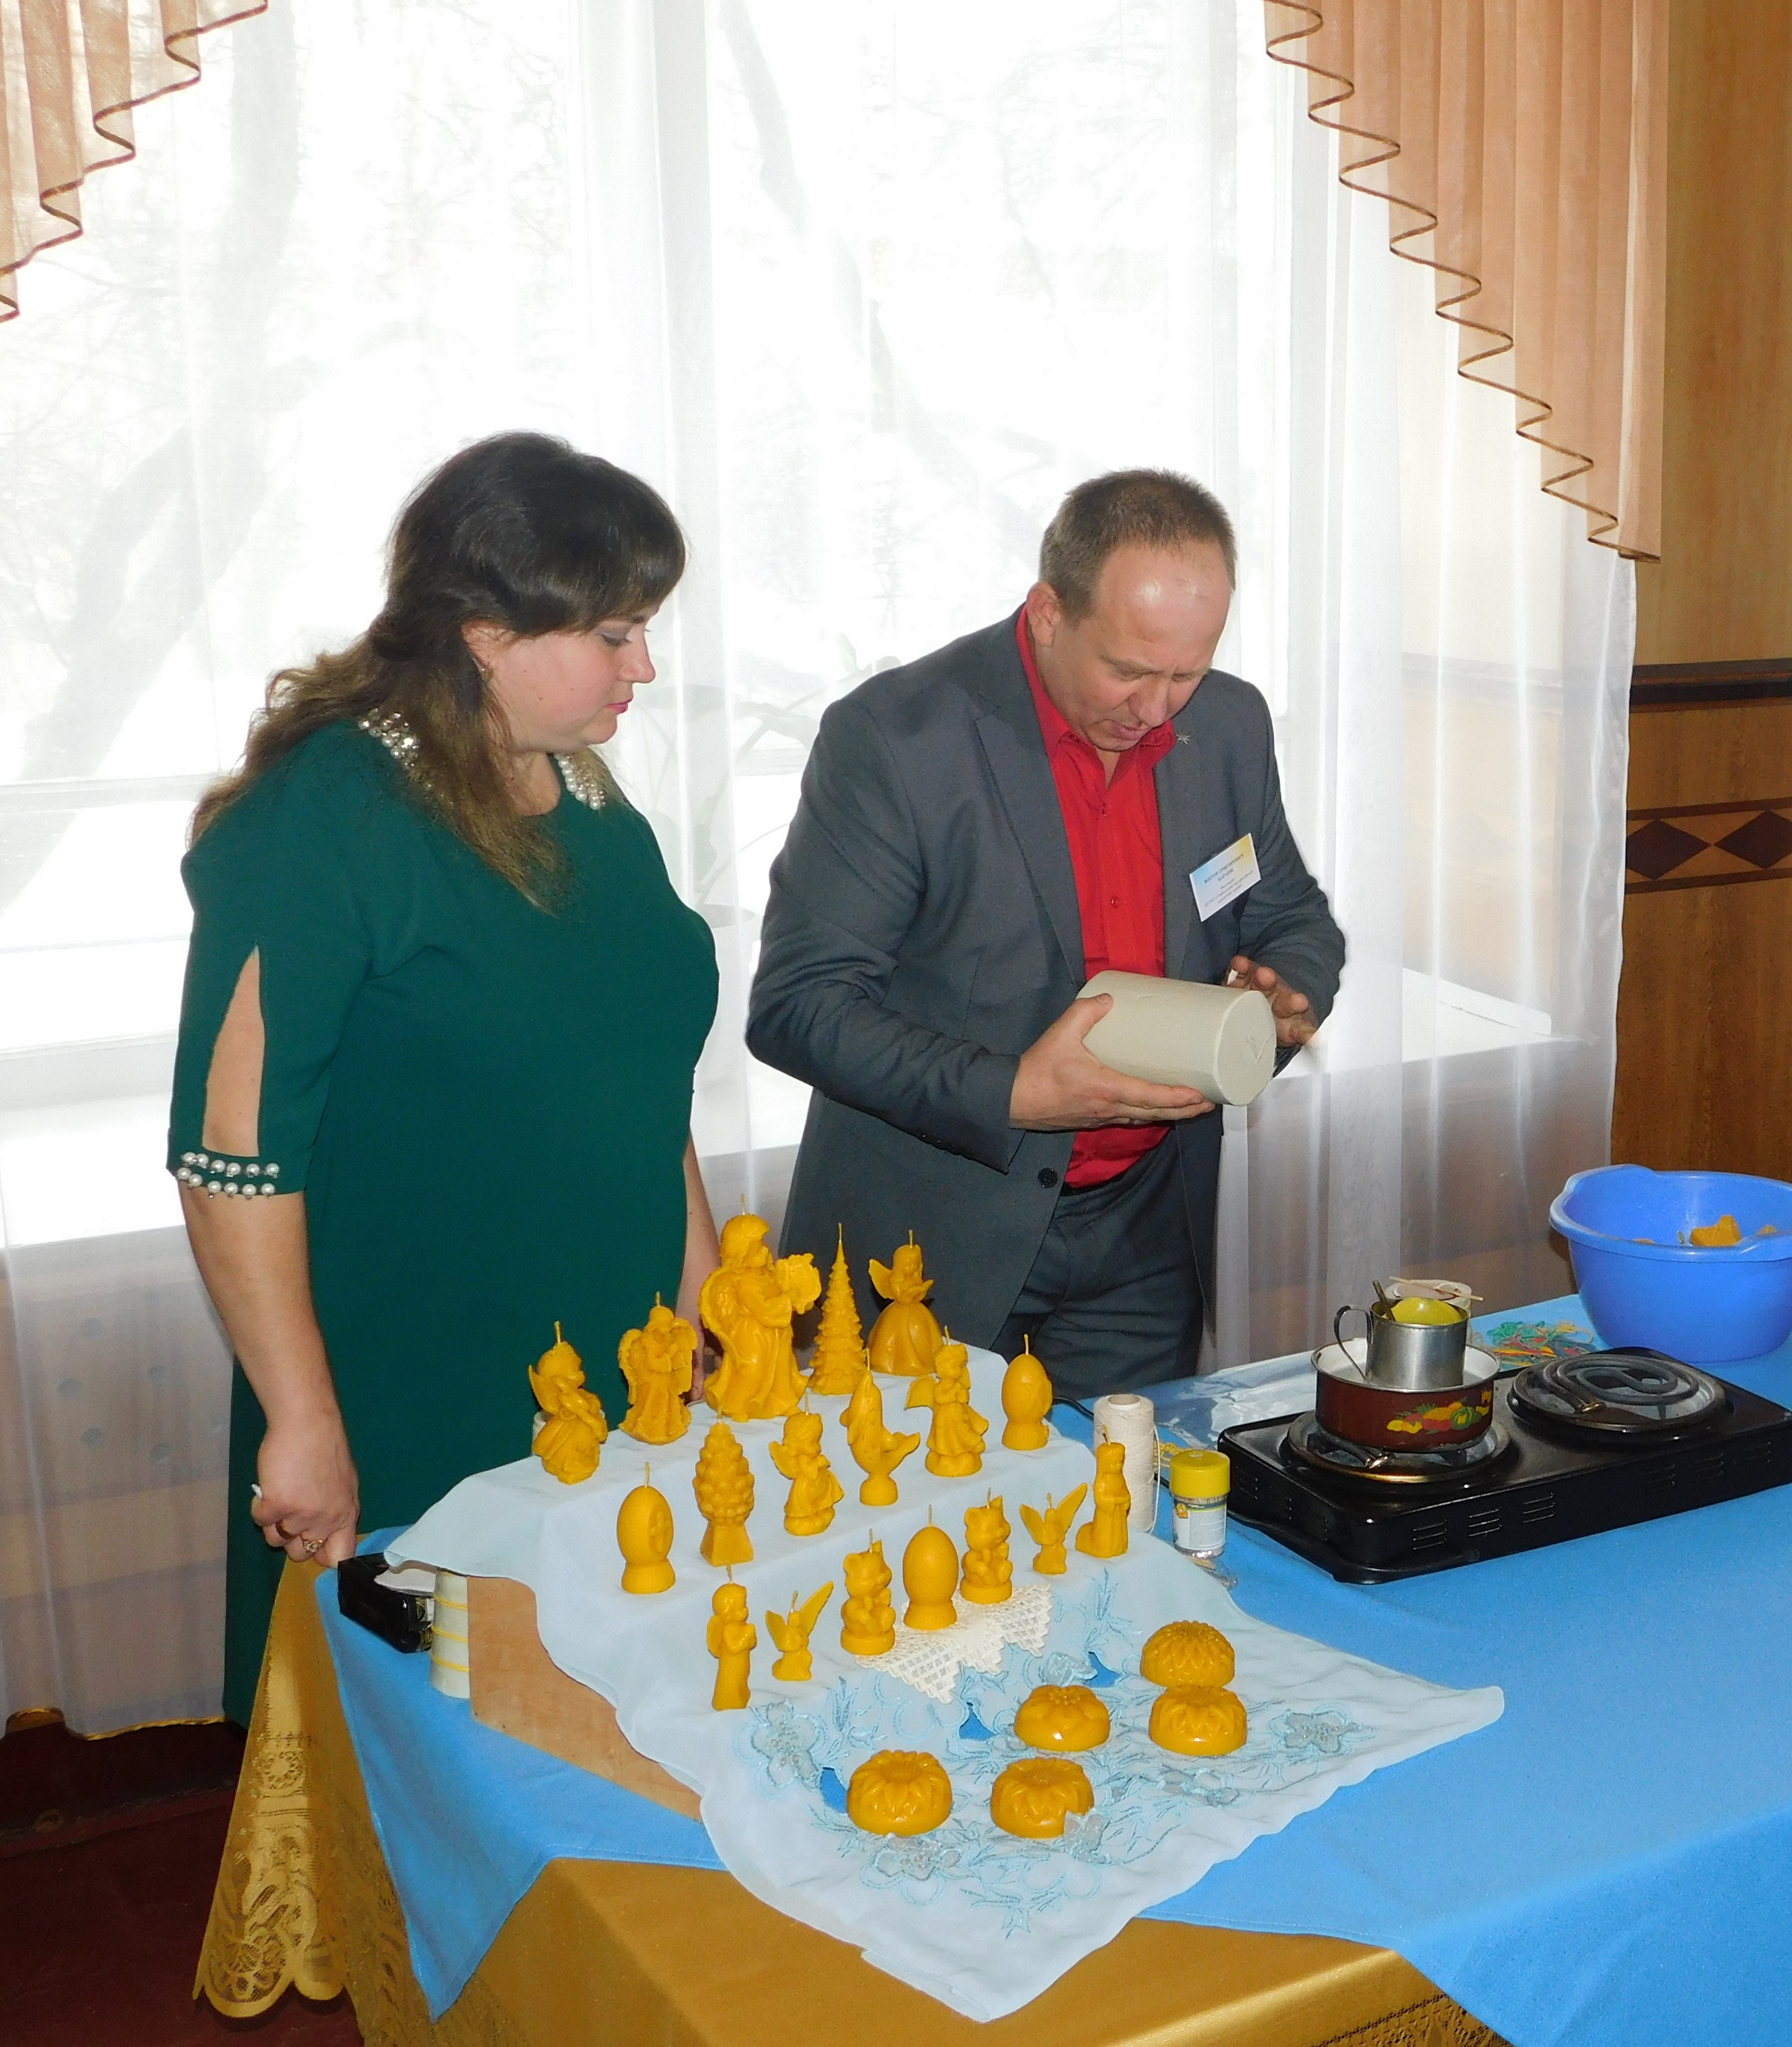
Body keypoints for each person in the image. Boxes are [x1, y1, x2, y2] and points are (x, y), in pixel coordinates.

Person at [172, 434, 721, 1720]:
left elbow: (641, 1079)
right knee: (443, 1732)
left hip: (611, 1357)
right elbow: (233, 1154)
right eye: (615, 633)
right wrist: (302, 1417)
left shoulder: (584, 791)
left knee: (604, 1723)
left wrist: (705, 1301)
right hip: (424, 1377)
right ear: (486, 633)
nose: (642, 666)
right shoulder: (330, 814)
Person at [749, 470, 1343, 1399]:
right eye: (1128, 670)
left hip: (1146, 1237)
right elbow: (799, 1007)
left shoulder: (1229, 723)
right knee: (913, 1493)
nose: (1156, 709)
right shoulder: (898, 739)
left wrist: (1286, 988)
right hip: (929, 1239)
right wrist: (1014, 1091)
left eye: (1184, 673)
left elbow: (1288, 914)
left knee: (1119, 1491)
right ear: (1047, 613)